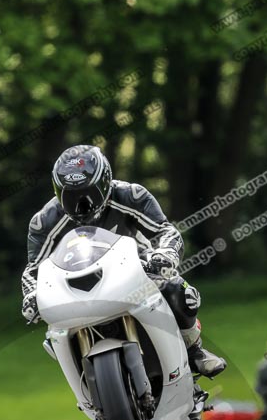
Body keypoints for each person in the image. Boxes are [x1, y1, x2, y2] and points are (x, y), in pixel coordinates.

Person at [21, 144, 226, 377]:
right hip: (74, 288)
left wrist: (165, 255)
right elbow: (33, 269)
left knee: (179, 291)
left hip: (136, 273)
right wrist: (31, 295)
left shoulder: (131, 195)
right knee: (52, 336)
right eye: (70, 196)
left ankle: (194, 350)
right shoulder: (44, 222)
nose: (82, 205)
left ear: (105, 182)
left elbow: (165, 231)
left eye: (89, 193)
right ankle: (81, 378)